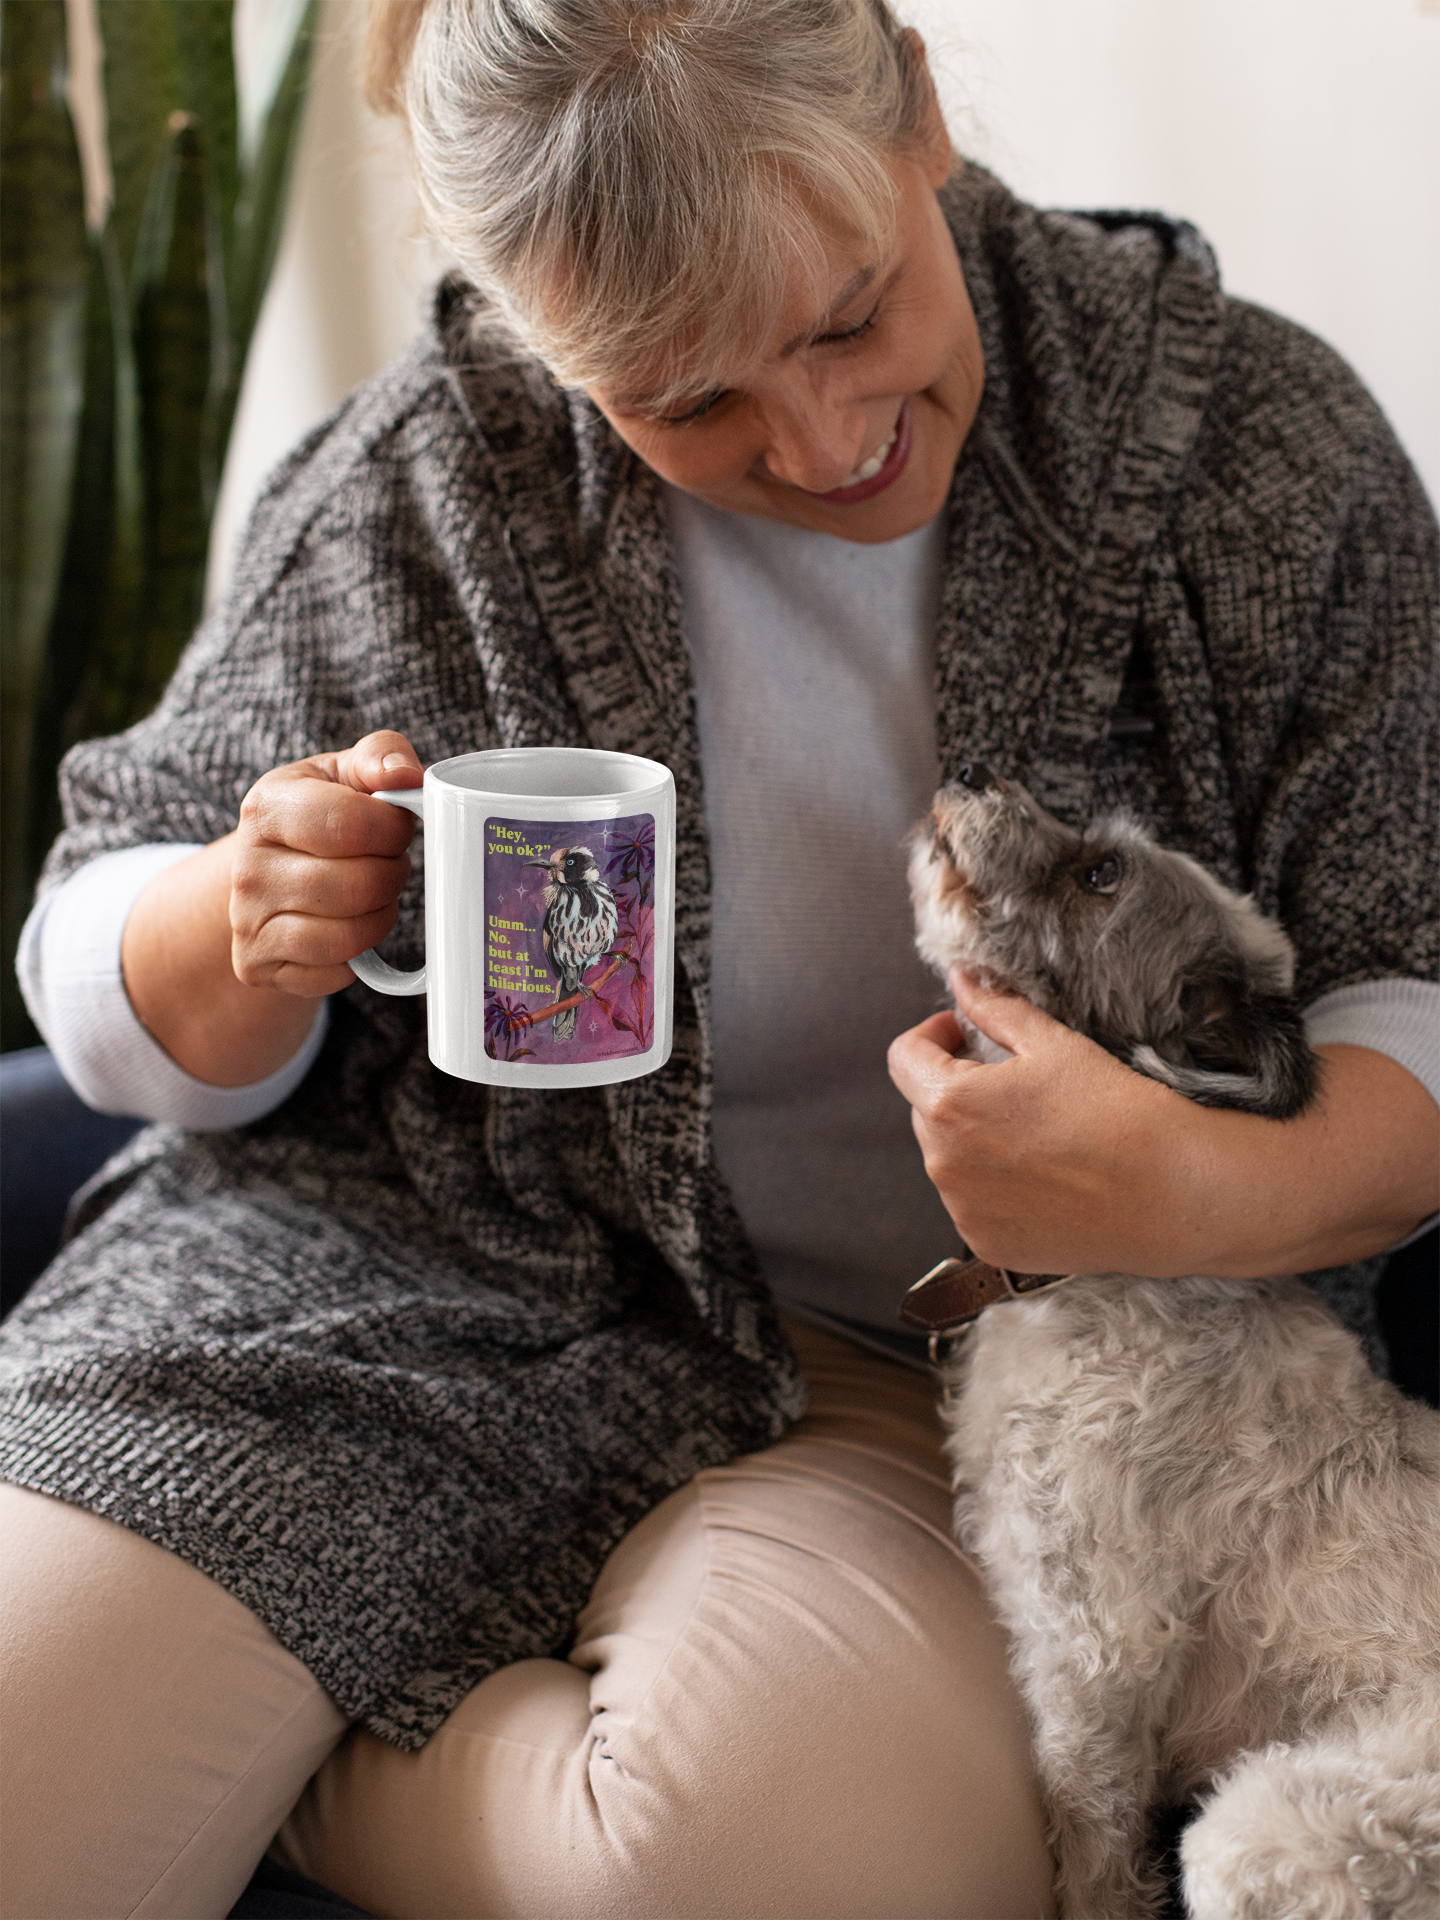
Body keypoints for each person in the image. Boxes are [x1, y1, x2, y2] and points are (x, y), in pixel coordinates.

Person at [5, 0, 1440, 1914]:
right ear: (541, 338)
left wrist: (1205, 1192)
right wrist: (237, 929)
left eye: (850, 317)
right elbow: (97, 951)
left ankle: (288, 1736)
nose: (829, 438)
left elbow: (1409, 964)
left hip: (905, 1381)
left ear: (919, 106)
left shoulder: (1247, 451)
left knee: (810, 1865)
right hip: (367, 1291)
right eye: (684, 400)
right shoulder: (418, 493)